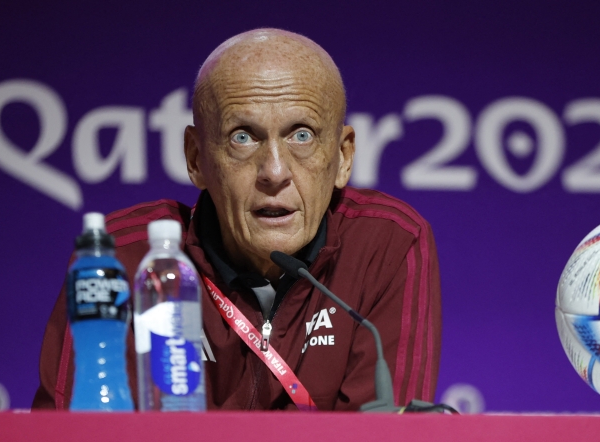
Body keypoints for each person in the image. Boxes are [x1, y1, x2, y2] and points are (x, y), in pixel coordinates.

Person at [33, 29, 441, 411]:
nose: (275, 172)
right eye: (242, 137)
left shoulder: (386, 244)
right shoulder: (121, 260)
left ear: (343, 158)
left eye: (301, 135)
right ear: (196, 158)